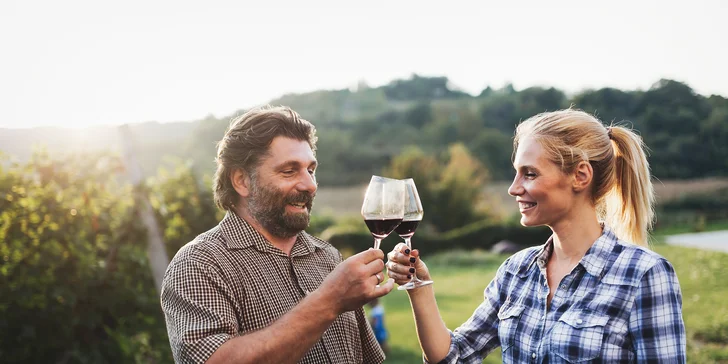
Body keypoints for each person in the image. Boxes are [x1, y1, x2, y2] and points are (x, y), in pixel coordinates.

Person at [386, 109, 686, 363]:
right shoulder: (516, 271)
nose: (514, 188)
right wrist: (418, 286)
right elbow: (454, 355)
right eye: (517, 173)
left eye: (529, 174)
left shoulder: (645, 275)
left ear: (580, 176)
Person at [161, 105, 394, 364]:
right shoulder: (199, 264)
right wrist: (329, 301)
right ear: (242, 181)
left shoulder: (328, 257)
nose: (310, 184)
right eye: (289, 171)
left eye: (311, 169)